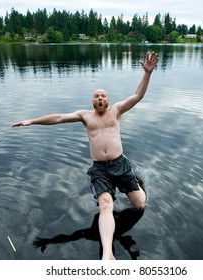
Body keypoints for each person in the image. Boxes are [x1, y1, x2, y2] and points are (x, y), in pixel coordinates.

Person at [12, 51, 159, 259]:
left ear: (107, 100)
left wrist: (148, 74)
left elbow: (137, 96)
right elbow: (58, 118)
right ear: (92, 101)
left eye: (103, 96)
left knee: (140, 205)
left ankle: (136, 183)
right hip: (100, 169)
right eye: (96, 96)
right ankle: (107, 253)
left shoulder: (116, 111)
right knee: (106, 205)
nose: (100, 98)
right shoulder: (85, 116)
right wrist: (32, 121)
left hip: (120, 164)